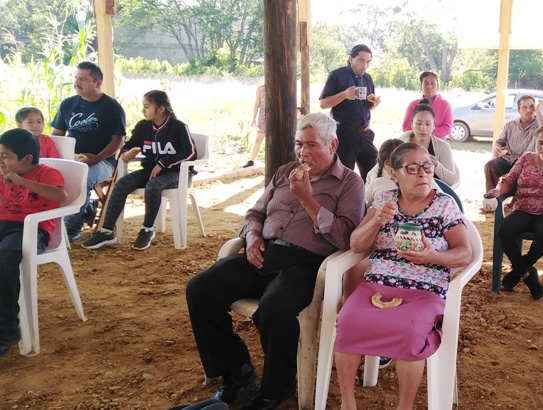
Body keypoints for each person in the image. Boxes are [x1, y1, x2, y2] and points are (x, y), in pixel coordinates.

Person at [185, 113, 365, 409]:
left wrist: (308, 200)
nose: (303, 152)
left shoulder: (349, 183)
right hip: (264, 253)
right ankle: (237, 371)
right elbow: (254, 213)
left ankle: (276, 390)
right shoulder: (285, 172)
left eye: (312, 145)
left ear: (332, 145)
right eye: (299, 144)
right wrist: (253, 235)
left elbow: (346, 238)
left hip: (306, 263)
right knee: (201, 288)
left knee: (275, 308)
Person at [334, 143, 471, 410]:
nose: (422, 173)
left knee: (410, 331)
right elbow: (356, 245)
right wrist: (376, 221)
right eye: (412, 168)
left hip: (426, 288)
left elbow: (465, 253)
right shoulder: (384, 201)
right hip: (378, 284)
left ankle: (404, 407)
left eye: (427, 167)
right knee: (349, 320)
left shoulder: (444, 205)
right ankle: (347, 403)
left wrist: (432, 257)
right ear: (393, 173)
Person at [81, 90, 196, 251]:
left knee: (153, 186)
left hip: (177, 174)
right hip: (150, 170)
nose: (143, 110)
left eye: (147, 107)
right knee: (121, 184)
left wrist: (163, 163)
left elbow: (190, 153)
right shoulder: (143, 126)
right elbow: (130, 145)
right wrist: (126, 153)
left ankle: (147, 229)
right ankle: (107, 231)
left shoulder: (178, 127)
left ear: (160, 109)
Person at [486, 125, 543, 299]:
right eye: (540, 142)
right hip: (524, 207)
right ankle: (528, 275)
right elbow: (509, 180)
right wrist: (498, 190)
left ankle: (518, 271)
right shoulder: (526, 159)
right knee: (505, 230)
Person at [0, 129, 67, 357]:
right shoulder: (3, 174)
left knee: (4, 257)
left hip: (32, 230)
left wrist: (21, 181)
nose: (1, 161)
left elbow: (60, 196)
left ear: (26, 159)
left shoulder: (47, 173)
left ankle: (7, 330)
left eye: (5, 156)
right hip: (4, 225)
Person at [51, 61, 126, 242]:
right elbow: (57, 135)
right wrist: (60, 158)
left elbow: (118, 140)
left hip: (103, 162)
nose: (77, 83)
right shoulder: (68, 104)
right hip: (72, 158)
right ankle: (79, 211)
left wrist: (96, 158)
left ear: (97, 83)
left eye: (83, 79)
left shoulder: (112, 107)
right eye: (76, 78)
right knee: (49, 177)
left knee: (82, 178)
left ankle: (72, 229)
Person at [319, 44, 381, 180]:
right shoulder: (337, 75)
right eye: (361, 60)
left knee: (375, 174)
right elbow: (323, 104)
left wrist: (374, 103)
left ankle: (367, 194)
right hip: (344, 134)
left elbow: (368, 107)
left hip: (365, 133)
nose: (364, 65)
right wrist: (344, 95)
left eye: (368, 62)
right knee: (342, 177)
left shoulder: (367, 78)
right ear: (350, 59)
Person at [483, 96, 543, 210]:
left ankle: (514, 203)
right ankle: (491, 200)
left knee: (525, 172)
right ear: (519, 110)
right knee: (490, 166)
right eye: (524, 107)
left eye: (531, 107)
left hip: (527, 163)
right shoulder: (510, 125)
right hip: (509, 159)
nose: (529, 110)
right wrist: (497, 147)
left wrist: (538, 111)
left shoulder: (539, 125)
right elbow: (499, 141)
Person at [400, 104, 459, 187]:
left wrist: (437, 165)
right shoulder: (401, 145)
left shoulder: (442, 147)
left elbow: (451, 180)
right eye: (419, 123)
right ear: (412, 124)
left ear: (434, 125)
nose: (423, 128)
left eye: (427, 124)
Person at [401, 71, 453, 140]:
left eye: (432, 83)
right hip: (416, 143)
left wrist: (427, 132)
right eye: (426, 83)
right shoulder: (413, 105)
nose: (429, 86)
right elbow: (405, 127)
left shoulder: (445, 105)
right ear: (421, 87)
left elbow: (447, 128)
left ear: (438, 87)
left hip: (437, 143)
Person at [244, 84, 267, 168]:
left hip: (274, 114)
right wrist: (254, 118)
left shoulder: (277, 88)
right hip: (263, 115)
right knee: (258, 140)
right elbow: (257, 104)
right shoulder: (260, 88)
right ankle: (251, 160)